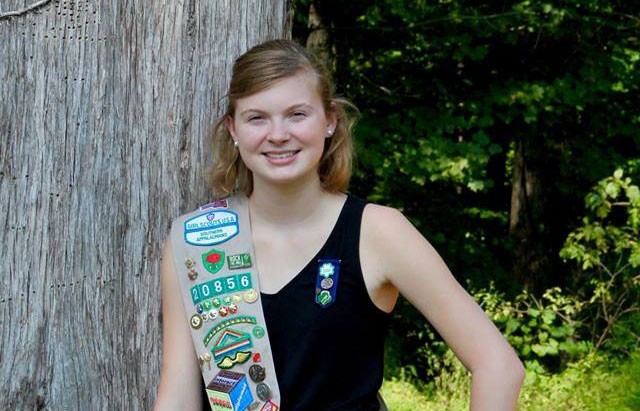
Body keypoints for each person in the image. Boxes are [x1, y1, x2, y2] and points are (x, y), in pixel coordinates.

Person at [154, 39, 524, 411]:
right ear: (233, 129)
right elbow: (178, 397)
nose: (278, 134)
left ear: (329, 120)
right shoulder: (195, 244)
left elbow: (499, 366)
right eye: (257, 118)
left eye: (297, 114)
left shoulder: (378, 233)